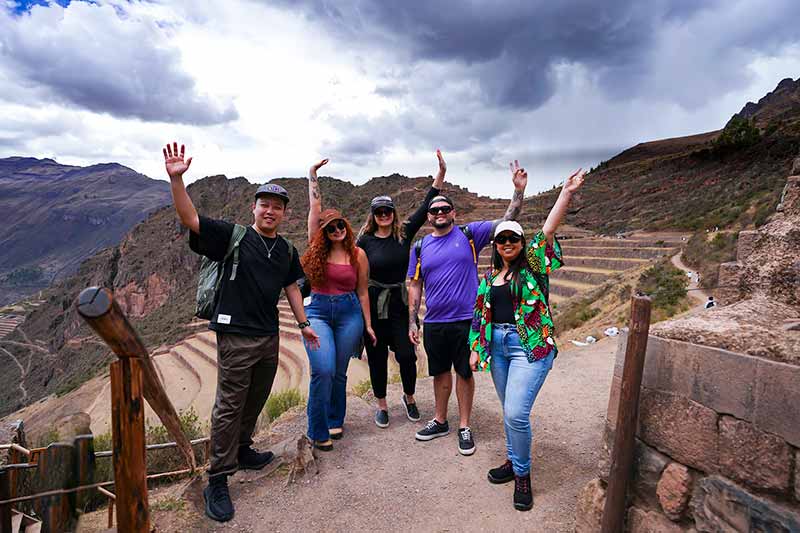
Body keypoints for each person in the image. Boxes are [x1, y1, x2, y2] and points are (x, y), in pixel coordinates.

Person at [162, 142, 320, 523]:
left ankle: (244, 449)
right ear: (254, 208)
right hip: (235, 335)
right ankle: (217, 478)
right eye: (264, 204)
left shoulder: (284, 249)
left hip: (269, 336)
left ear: (284, 213)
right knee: (229, 405)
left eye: (277, 206)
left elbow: (292, 287)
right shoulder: (233, 236)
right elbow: (191, 220)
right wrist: (177, 180)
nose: (270, 211)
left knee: (255, 397)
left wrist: (303, 324)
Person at [469, 168, 586, 512]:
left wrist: (565, 193)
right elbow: (479, 318)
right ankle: (512, 459)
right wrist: (476, 350)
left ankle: (522, 474)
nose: (507, 244)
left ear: (522, 244)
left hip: (529, 348)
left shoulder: (533, 265)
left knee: (516, 412)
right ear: (496, 245)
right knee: (509, 413)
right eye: (502, 240)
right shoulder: (490, 278)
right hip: (500, 349)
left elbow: (548, 229)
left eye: (513, 240)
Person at [407, 160, 528, 456]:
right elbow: (415, 284)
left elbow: (507, 223)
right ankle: (439, 420)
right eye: (433, 210)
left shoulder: (470, 234)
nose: (439, 214)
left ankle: (464, 425)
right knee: (439, 373)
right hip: (434, 321)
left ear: (453, 213)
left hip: (467, 320)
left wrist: (518, 192)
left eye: (444, 209)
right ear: (429, 217)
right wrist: (413, 320)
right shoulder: (420, 247)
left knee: (464, 372)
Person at [357, 150, 447, 427]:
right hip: (373, 303)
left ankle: (409, 398)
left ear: (393, 213)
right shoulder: (364, 241)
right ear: (373, 215)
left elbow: (426, 205)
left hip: (399, 302)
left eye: (387, 211)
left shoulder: (404, 232)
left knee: (407, 354)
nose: (384, 215)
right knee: (376, 357)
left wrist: (441, 174)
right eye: (379, 212)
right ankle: (382, 405)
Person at [301, 158, 376, 451]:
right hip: (318, 311)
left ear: (346, 225)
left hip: (349, 315)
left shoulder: (357, 255)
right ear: (323, 232)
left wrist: (368, 325)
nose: (336, 231)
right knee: (323, 369)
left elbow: (363, 293)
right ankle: (316, 429)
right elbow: (314, 210)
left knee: (340, 371)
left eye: (339, 225)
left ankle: (335, 418)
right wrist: (312, 177)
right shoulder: (315, 250)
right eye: (330, 228)